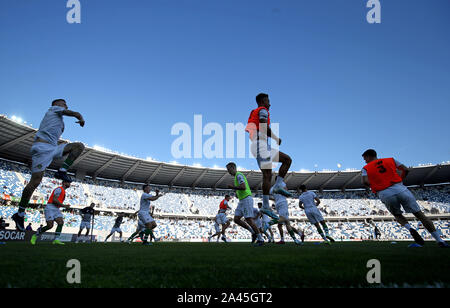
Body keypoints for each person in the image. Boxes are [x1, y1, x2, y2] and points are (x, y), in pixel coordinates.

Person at [12, 99, 85, 231]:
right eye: (64, 103)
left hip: (52, 148)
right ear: (57, 104)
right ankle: (20, 213)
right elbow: (70, 112)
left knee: (78, 147)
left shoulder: (60, 122)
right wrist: (79, 116)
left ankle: (62, 170)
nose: (66, 105)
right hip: (42, 148)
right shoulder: (53, 109)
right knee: (35, 182)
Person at [361, 149, 448, 248]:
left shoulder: (365, 168)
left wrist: (376, 184)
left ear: (368, 156)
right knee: (419, 214)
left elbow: (365, 182)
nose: (365, 161)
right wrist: (400, 180)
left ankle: (410, 229)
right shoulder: (391, 160)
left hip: (385, 193)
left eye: (365, 159)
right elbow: (406, 169)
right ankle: (439, 240)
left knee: (397, 215)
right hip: (400, 188)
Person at [245, 93, 292, 220]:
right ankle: (273, 192)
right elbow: (264, 126)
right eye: (267, 101)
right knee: (280, 165)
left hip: (259, 146)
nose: (269, 104)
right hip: (261, 145)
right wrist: (276, 138)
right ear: (262, 101)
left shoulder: (253, 112)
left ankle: (269, 198)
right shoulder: (262, 110)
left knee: (272, 171)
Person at [226, 162, 264, 246]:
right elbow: (241, 189)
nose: (228, 172)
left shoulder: (239, 175)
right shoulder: (236, 177)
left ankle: (260, 239)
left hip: (246, 199)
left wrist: (232, 187)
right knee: (236, 219)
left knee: (249, 219)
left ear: (233, 168)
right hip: (242, 200)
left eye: (229, 170)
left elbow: (243, 187)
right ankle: (252, 232)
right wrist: (237, 194)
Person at [30, 180, 73, 245]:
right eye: (68, 182)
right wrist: (64, 206)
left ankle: (56, 239)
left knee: (60, 222)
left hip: (56, 208)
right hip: (50, 207)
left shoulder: (63, 191)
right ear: (64, 183)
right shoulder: (59, 189)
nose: (69, 184)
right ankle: (35, 235)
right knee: (50, 226)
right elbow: (54, 200)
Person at [268, 180, 302, 245]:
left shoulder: (272, 188)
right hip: (283, 203)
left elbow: (272, 197)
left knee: (284, 224)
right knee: (285, 221)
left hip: (277, 204)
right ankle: (268, 223)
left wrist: (274, 198)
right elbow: (287, 193)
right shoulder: (282, 184)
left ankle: (293, 239)